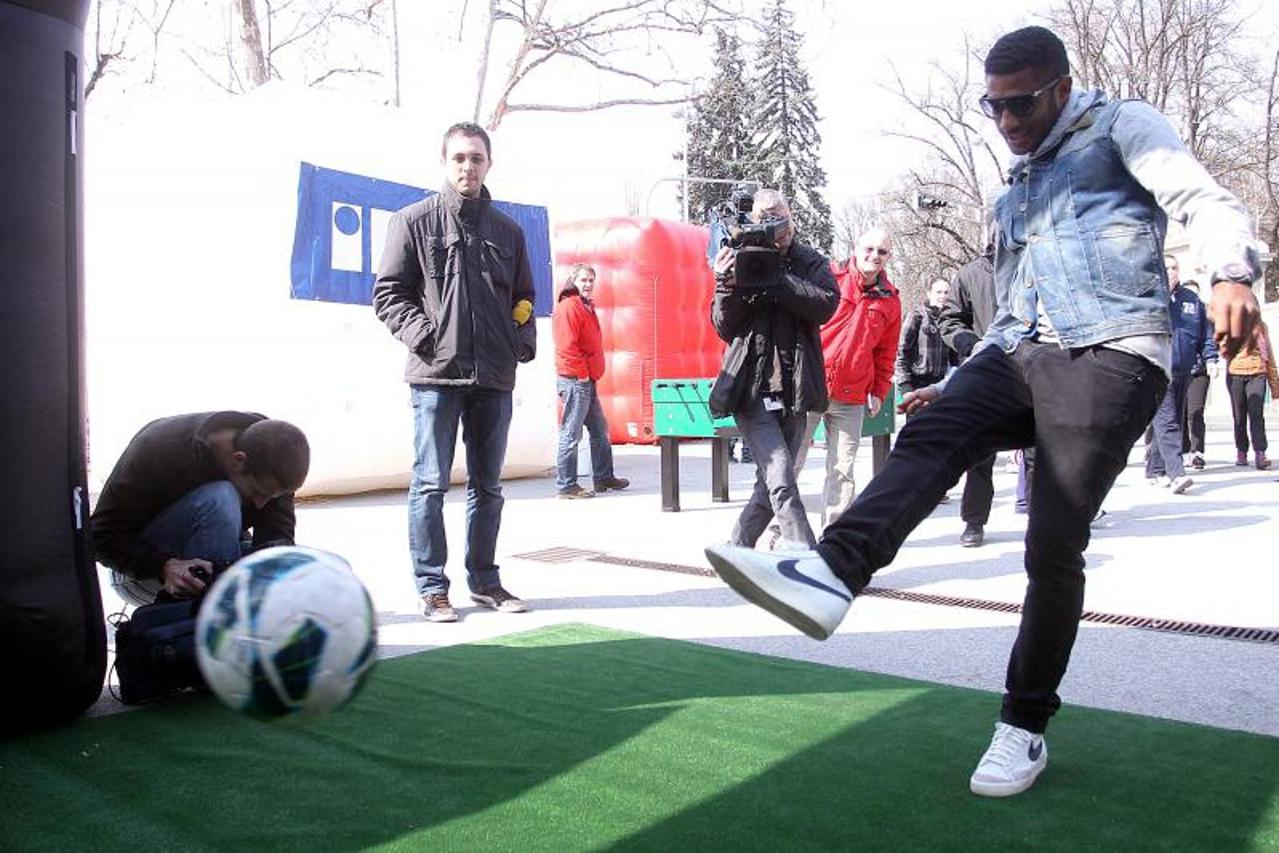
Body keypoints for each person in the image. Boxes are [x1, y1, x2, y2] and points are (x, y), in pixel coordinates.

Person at [704, 25, 1261, 799]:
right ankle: (829, 574)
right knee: (931, 429)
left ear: (1061, 89)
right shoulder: (1014, 187)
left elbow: (1202, 198)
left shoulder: (1119, 126)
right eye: (991, 108)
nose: (1005, 122)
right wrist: (966, 375)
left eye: (1019, 105)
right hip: (1021, 349)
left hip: (1113, 350)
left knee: (1051, 542)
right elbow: (1016, 305)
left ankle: (1022, 725)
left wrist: (1232, 270)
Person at [373, 121, 537, 624]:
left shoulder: (508, 231)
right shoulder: (413, 222)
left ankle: (485, 580)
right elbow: (388, 295)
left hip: (493, 378)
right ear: (445, 163)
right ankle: (432, 588)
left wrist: (519, 345)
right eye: (459, 158)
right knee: (428, 483)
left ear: (490, 163)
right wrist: (430, 339)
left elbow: (525, 297)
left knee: (488, 487)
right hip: (435, 379)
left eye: (477, 158)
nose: (468, 167)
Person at [709, 188, 838, 551]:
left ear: (790, 215)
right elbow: (724, 327)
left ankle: (736, 550)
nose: (777, 232)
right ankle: (811, 559)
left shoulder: (810, 262)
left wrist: (780, 279)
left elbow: (826, 306)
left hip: (795, 389)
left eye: (780, 221)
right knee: (781, 475)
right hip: (751, 390)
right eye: (767, 223)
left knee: (771, 484)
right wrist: (725, 284)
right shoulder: (743, 260)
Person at [91, 412, 310, 604]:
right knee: (220, 498)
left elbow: (275, 544)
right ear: (239, 460)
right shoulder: (159, 447)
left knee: (313, 568)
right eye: (258, 493)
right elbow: (99, 538)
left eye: (272, 498)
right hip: (142, 572)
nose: (261, 505)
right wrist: (164, 566)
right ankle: (225, 624)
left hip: (220, 553)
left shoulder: (277, 453)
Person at [797, 227, 902, 527]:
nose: (875, 256)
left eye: (882, 252)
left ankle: (833, 537)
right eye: (869, 249)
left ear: (889, 256)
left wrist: (879, 392)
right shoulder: (829, 279)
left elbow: (886, 352)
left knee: (843, 470)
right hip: (811, 388)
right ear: (856, 248)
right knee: (792, 461)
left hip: (852, 397)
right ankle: (779, 525)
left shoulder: (890, 300)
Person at [552, 262, 629, 498]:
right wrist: (582, 373)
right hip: (576, 380)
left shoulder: (584, 306)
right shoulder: (569, 307)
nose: (588, 284)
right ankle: (566, 485)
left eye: (590, 280)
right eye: (583, 280)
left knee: (599, 429)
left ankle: (603, 476)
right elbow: (566, 347)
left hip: (586, 379)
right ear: (574, 281)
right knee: (571, 433)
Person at [938, 246, 998, 547]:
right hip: (984, 371)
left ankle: (1043, 522)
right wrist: (971, 345)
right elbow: (949, 321)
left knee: (1040, 454)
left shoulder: (1040, 263)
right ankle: (974, 521)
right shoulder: (971, 273)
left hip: (1035, 369)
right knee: (980, 455)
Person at [1145, 255, 1217, 492]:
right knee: (1168, 420)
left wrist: (1210, 358)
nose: (1172, 272)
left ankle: (1155, 469)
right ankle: (1177, 472)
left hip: (1184, 370)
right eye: (1167, 268)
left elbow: (1204, 333)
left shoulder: (1191, 300)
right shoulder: (1150, 296)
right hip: (1158, 368)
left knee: (1170, 418)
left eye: (1175, 267)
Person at [1226, 318, 1279, 470]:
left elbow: (1269, 354)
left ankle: (1260, 453)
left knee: (1256, 415)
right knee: (1239, 415)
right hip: (1235, 374)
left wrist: (1275, 389)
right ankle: (1241, 451)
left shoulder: (1261, 326)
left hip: (1257, 374)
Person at [896, 278, 959, 398]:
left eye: (946, 293)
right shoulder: (917, 316)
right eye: (939, 292)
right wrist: (905, 387)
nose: (943, 296)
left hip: (941, 386)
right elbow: (900, 353)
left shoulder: (951, 320)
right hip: (917, 385)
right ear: (929, 293)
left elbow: (955, 359)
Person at [1179, 279, 1216, 469]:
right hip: (1180, 369)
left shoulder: (1203, 315)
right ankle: (1184, 451)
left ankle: (1197, 451)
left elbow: (1208, 339)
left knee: (1196, 412)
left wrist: (1211, 359)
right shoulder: (1177, 313)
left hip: (1199, 370)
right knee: (1181, 412)